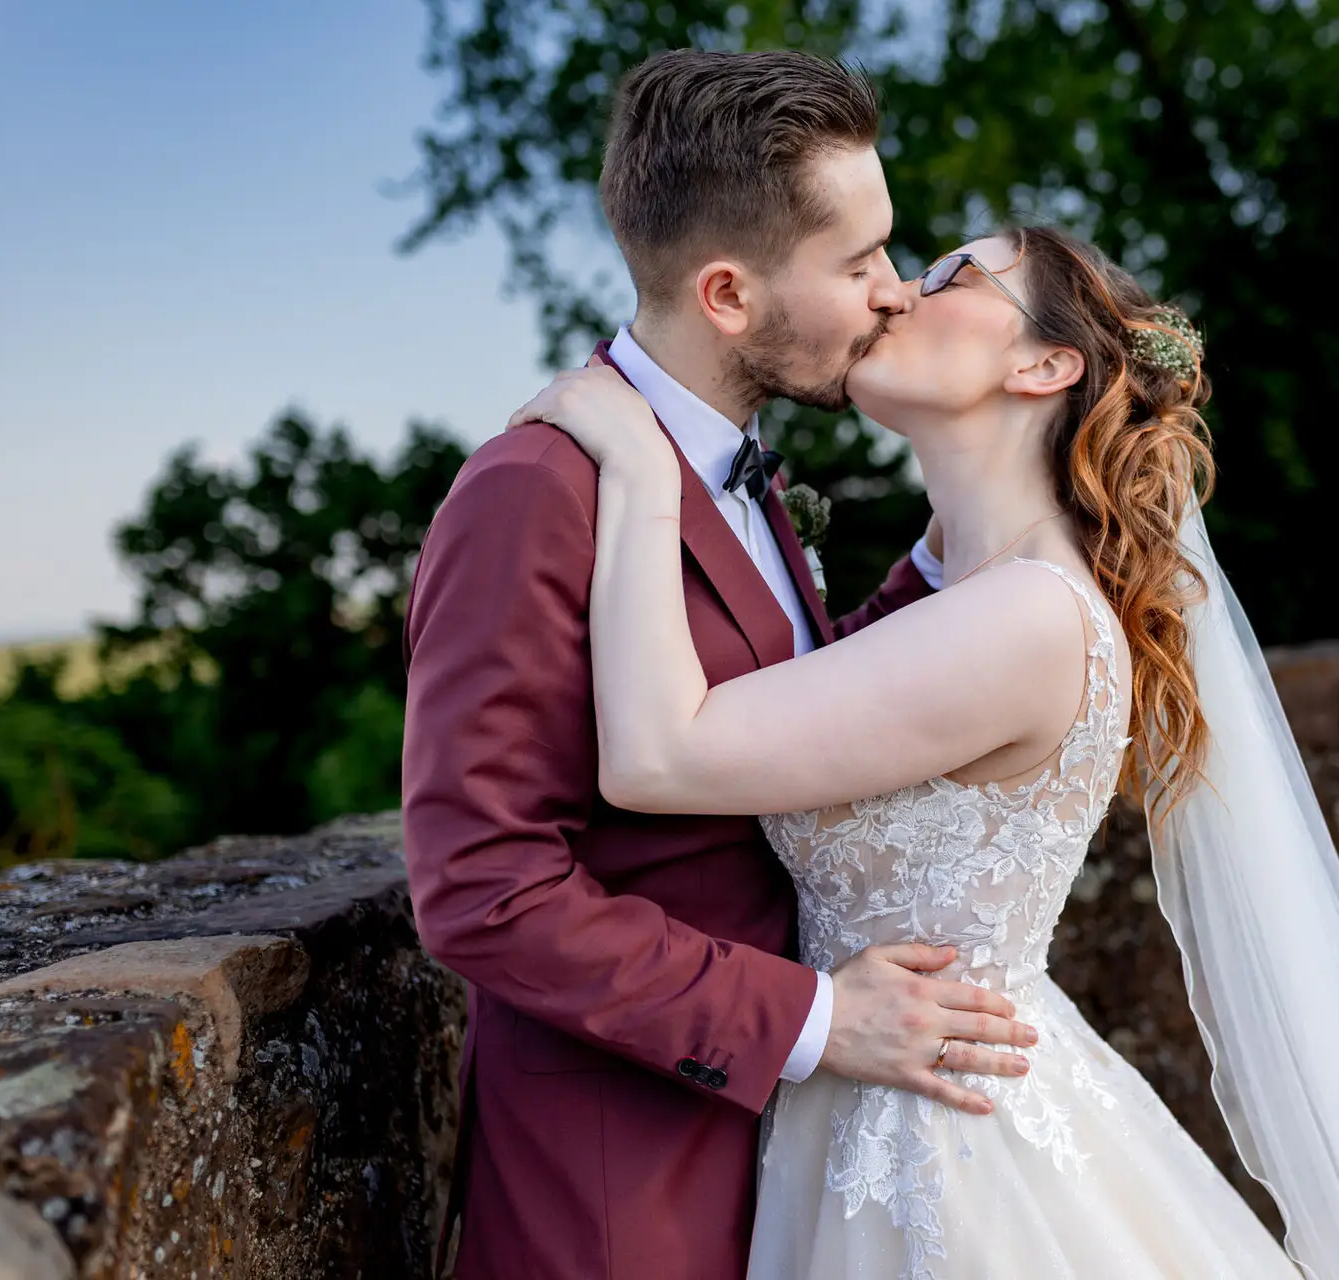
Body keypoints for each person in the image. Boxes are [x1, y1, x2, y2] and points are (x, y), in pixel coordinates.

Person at [508, 224, 1339, 1279]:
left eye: (954, 274)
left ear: (1043, 364)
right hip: (880, 1116)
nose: (897, 294)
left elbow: (662, 755)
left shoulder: (1030, 616)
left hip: (945, 1158)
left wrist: (635, 461)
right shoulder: (991, 591)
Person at [401, 50, 1034, 1280]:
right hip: (621, 1186)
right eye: (857, 266)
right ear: (730, 295)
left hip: (775, 1160)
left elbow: (775, 704)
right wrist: (812, 1019)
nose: (895, 295)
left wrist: (957, 557)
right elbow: (484, 885)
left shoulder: (731, 468)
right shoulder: (535, 493)